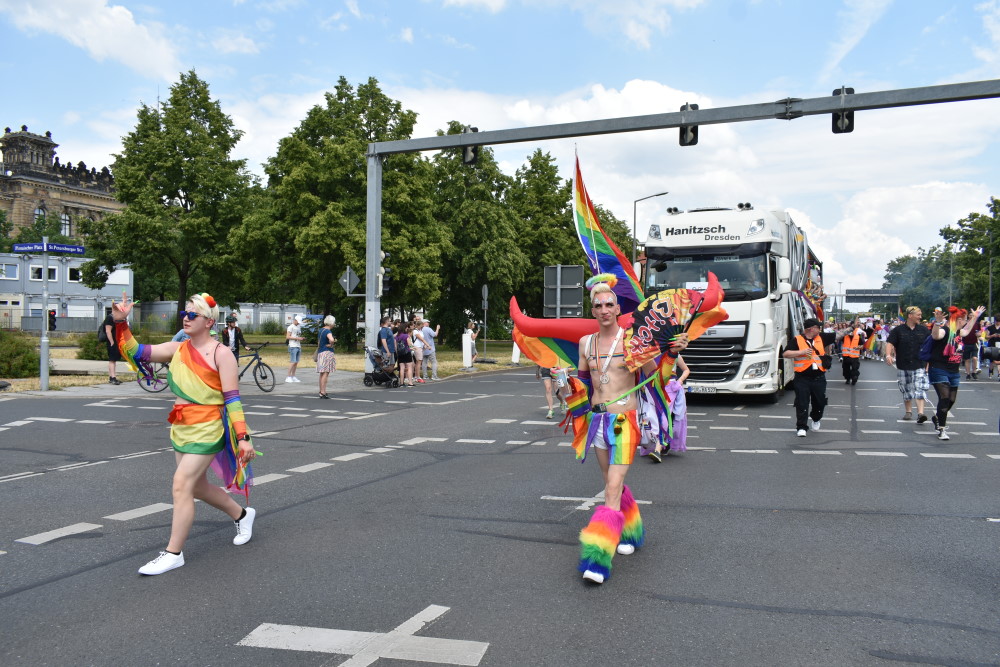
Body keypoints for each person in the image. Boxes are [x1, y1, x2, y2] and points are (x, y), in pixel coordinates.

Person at [111, 292, 257, 575]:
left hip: (208, 427)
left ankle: (173, 553)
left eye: (193, 315)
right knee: (197, 487)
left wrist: (242, 437)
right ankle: (241, 514)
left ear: (208, 322)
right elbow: (136, 352)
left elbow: (233, 399)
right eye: (184, 314)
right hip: (181, 425)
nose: (186, 318)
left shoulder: (221, 353)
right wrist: (120, 322)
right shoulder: (177, 349)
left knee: (181, 484)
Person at [569, 281, 688, 584]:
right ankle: (631, 532)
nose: (604, 310)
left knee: (611, 487)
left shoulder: (634, 342)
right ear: (592, 310)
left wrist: (672, 354)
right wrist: (564, 387)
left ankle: (597, 559)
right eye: (598, 305)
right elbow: (583, 383)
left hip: (625, 422)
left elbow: (659, 377)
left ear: (618, 309)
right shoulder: (586, 343)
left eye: (609, 304)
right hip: (597, 423)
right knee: (612, 483)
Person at [928, 305, 986, 440]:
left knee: (952, 400)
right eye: (964, 320)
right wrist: (936, 323)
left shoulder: (958, 333)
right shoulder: (944, 330)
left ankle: (937, 417)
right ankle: (941, 429)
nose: (965, 323)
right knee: (945, 398)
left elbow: (967, 330)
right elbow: (936, 336)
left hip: (953, 371)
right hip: (939, 369)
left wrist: (975, 317)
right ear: (958, 320)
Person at [784, 318, 829, 437]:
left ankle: (816, 418)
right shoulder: (797, 340)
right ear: (811, 329)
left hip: (819, 377)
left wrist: (851, 328)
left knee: (819, 402)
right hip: (802, 378)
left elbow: (839, 335)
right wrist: (801, 352)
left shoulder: (821, 338)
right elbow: (786, 354)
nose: (819, 329)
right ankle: (801, 427)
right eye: (817, 327)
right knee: (801, 403)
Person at [885, 306, 931, 423]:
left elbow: (930, 345)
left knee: (919, 388)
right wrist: (888, 355)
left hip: (919, 363)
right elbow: (890, 343)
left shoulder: (924, 330)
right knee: (906, 389)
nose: (920, 317)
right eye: (918, 315)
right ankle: (908, 412)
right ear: (910, 316)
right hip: (903, 364)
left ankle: (921, 413)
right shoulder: (898, 330)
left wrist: (930, 362)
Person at [648, 354, 689, 463]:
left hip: (670, 387)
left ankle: (657, 448)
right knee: (653, 416)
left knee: (664, 416)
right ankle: (662, 443)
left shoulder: (675, 354)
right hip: (654, 386)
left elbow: (686, 370)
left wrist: (679, 382)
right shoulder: (653, 353)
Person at [838, 320, 865, 385]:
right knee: (846, 369)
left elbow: (862, 346)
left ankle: (854, 379)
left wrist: (858, 347)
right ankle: (847, 379)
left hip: (854, 357)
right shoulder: (845, 336)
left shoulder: (858, 337)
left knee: (855, 370)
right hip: (846, 356)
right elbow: (838, 337)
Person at [316, 315, 337, 399]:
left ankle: (321, 391)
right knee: (326, 373)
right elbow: (331, 339)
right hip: (327, 353)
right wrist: (331, 344)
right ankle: (323, 392)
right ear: (331, 323)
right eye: (334, 322)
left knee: (321, 373)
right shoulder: (328, 331)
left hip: (320, 352)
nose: (334, 324)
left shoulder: (321, 330)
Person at [102, 310, 122, 385]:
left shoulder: (115, 318)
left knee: (113, 360)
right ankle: (113, 378)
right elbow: (108, 331)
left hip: (115, 341)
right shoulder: (110, 318)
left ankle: (112, 377)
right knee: (112, 360)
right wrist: (111, 342)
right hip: (112, 342)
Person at [285, 316, 304, 383]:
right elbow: (288, 336)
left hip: (298, 345)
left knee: (296, 362)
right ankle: (288, 376)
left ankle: (293, 376)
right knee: (292, 362)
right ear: (295, 320)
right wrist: (297, 338)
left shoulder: (298, 327)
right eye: (298, 322)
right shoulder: (290, 327)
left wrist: (300, 338)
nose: (298, 323)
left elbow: (297, 335)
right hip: (293, 346)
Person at [985, 315, 1000, 379]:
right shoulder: (990, 328)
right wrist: (992, 336)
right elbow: (986, 337)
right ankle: (991, 371)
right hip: (992, 344)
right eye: (997, 321)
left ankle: (999, 373)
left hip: (999, 344)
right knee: (992, 359)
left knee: (999, 359)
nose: (998, 323)